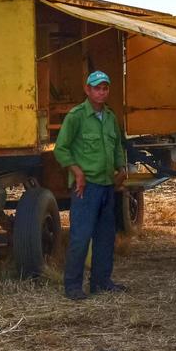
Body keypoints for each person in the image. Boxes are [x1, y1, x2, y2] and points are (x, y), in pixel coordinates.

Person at [54, 70, 129, 300]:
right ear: (87, 90)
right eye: (97, 88)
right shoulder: (76, 116)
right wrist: (77, 172)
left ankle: (101, 281)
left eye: (105, 88)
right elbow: (61, 149)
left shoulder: (110, 117)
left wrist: (121, 168)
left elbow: (117, 147)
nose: (101, 92)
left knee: (106, 237)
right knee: (81, 236)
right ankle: (73, 286)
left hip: (107, 186)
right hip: (86, 188)